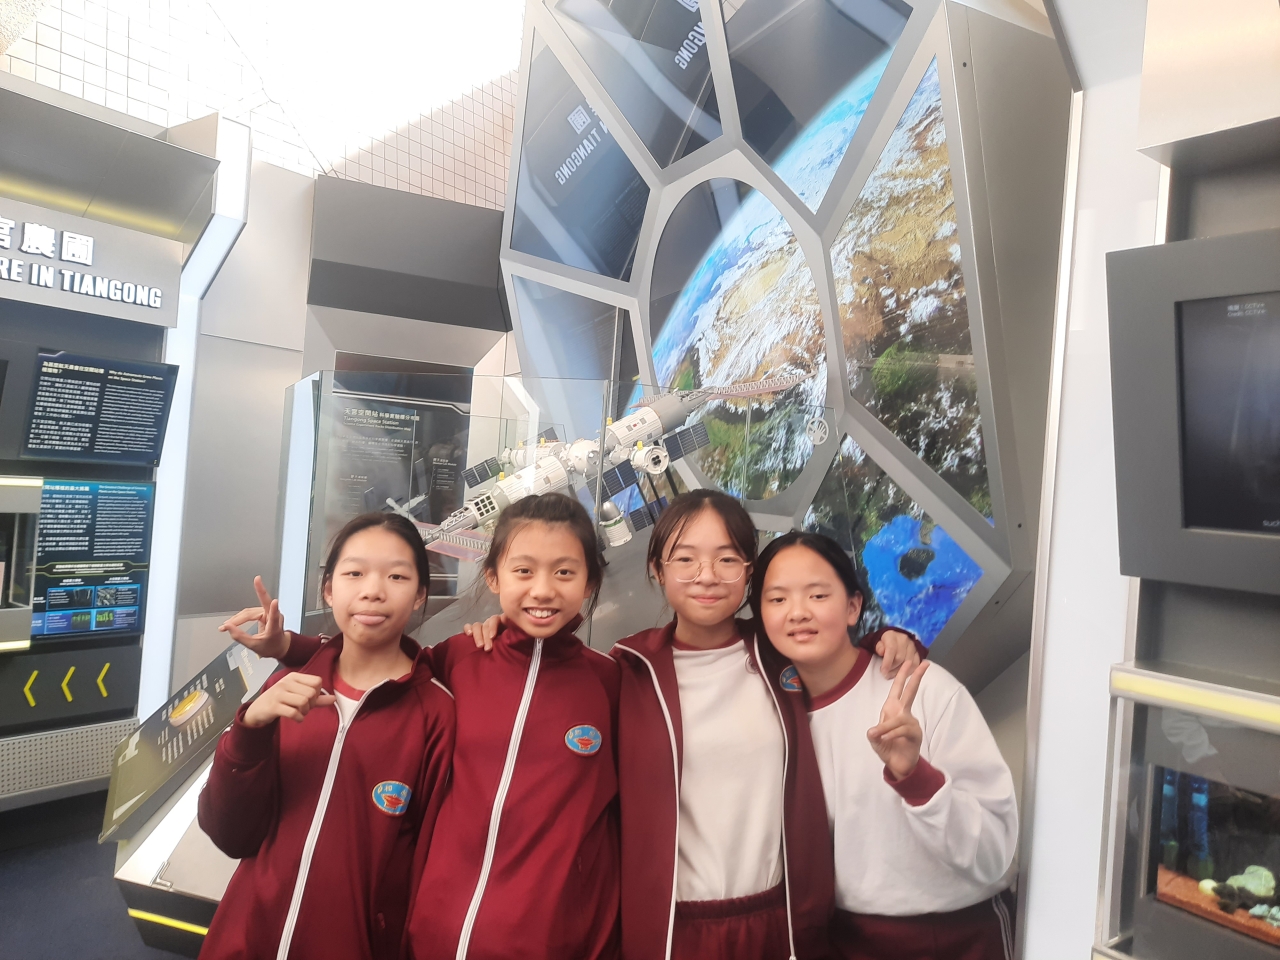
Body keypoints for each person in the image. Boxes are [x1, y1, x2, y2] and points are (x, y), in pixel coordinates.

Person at [466, 490, 924, 960]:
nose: (707, 576)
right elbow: (547, 700)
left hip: (783, 922)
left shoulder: (781, 655)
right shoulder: (627, 671)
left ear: (748, 570)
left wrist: (891, 639)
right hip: (671, 932)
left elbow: (843, 662)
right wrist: (508, 636)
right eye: (685, 559)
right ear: (657, 569)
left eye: (727, 559)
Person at [251, 493, 620, 960]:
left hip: (550, 940)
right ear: (493, 577)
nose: (543, 590)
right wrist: (287, 646)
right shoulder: (459, 659)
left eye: (564, 572)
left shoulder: (610, 683)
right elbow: (380, 660)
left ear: (589, 582)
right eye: (524, 571)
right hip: (435, 931)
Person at [198, 513, 455, 960]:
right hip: (247, 938)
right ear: (329, 589)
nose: (373, 590)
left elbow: (430, 867)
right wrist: (249, 729)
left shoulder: (435, 713)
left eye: (396, 576)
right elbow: (229, 834)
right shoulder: (286, 687)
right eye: (354, 573)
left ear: (420, 595)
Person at [751, 531, 1019, 960]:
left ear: (853, 606)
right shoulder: (773, 722)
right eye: (777, 599)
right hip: (848, 942)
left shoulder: (923, 689)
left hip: (960, 936)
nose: (798, 612)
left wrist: (915, 777)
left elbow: (995, 853)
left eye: (818, 595)